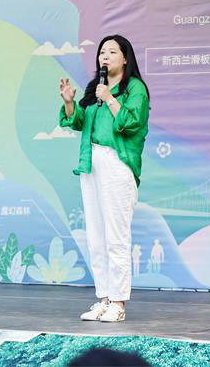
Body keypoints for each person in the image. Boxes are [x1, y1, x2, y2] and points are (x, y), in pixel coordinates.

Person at [59, 34, 150, 322]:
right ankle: (104, 299)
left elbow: (132, 122)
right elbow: (78, 121)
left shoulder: (135, 89)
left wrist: (109, 98)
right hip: (92, 162)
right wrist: (70, 103)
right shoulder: (95, 88)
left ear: (125, 58)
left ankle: (119, 303)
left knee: (116, 237)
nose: (105, 56)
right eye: (101, 52)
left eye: (112, 52)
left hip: (117, 164)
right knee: (96, 237)